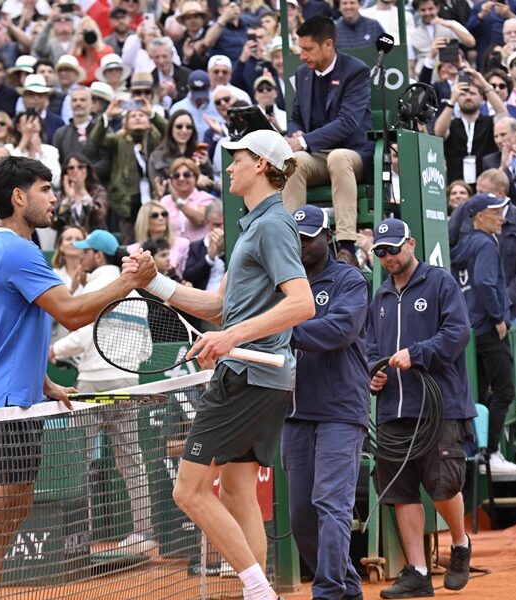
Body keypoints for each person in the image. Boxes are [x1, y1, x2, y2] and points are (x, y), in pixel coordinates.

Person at [113, 129, 309, 600]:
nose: (230, 166)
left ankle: (260, 592)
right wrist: (153, 282)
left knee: (189, 491)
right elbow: (219, 306)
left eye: (237, 158)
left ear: (260, 164)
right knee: (237, 492)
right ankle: (257, 595)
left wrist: (231, 338)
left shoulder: (273, 224)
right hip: (261, 376)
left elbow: (302, 304)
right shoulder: (253, 225)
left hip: (247, 374)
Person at [0, 156, 155, 600]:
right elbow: (70, 313)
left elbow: (10, 326)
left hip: (20, 399)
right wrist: (131, 280)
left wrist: (43, 380)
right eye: (45, 189)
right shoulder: (14, 249)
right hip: (0, 406)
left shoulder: (18, 248)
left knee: (17, 505)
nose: (54, 198)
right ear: (18, 197)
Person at [364, 217, 475, 598]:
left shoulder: (441, 282)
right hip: (393, 408)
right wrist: (372, 375)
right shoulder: (378, 297)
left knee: (444, 485)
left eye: (393, 249)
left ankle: (460, 544)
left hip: (438, 405)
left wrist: (418, 353)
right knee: (399, 490)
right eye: (381, 252)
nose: (388, 257)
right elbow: (370, 350)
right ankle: (417, 571)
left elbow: (458, 333)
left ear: (410, 244)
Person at [49, 228, 158, 552]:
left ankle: (77, 538)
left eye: (85, 251)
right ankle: (144, 532)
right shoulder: (137, 295)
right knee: (131, 461)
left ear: (97, 256)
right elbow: (146, 350)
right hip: (127, 383)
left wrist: (53, 351)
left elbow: (81, 337)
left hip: (93, 383)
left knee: (77, 462)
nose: (79, 255)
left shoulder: (97, 287)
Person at [281, 204, 369, 600]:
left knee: (331, 505)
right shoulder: (284, 284)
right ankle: (347, 588)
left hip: (340, 410)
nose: (300, 245)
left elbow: (340, 329)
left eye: (308, 237)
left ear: (328, 238)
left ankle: (329, 592)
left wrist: (281, 330)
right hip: (294, 414)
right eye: (294, 238)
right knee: (302, 516)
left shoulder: (349, 280)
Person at [282, 16, 374, 265]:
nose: (302, 56)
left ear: (328, 45)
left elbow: (348, 123)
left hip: (352, 153)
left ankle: (346, 246)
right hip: (317, 154)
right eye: (300, 49)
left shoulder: (356, 71)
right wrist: (297, 133)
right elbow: (295, 117)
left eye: (308, 49)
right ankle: (292, 243)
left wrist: (304, 141)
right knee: (295, 162)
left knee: (337, 157)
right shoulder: (302, 74)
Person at [450, 193, 516, 475]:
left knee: (478, 392)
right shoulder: (486, 244)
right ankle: (491, 452)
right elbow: (484, 282)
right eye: (496, 213)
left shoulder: (464, 244)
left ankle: (477, 451)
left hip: (470, 330)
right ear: (480, 217)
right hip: (488, 328)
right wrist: (499, 318)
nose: (502, 218)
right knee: (505, 389)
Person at [448, 169, 516, 324]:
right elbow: (448, 246)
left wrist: (504, 299)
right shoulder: (466, 211)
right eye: (477, 191)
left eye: (483, 192)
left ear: (500, 193)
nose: (478, 196)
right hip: (469, 308)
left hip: (507, 309)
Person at [90, 98, 167, 242]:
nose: (137, 117)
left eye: (141, 115)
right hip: (126, 203)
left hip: (153, 197)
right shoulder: (119, 140)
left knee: (154, 240)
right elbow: (96, 138)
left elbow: (169, 131)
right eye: (133, 116)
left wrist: (152, 114)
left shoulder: (155, 138)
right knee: (129, 242)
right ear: (125, 122)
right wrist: (108, 116)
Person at [434, 69, 507, 183]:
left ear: (481, 98)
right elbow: (439, 132)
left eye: (472, 93)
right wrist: (452, 100)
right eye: (463, 94)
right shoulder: (452, 124)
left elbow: (503, 116)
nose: (468, 97)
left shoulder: (489, 123)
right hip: (457, 186)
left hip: (487, 183)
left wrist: (485, 85)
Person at [407, 0, 476, 75]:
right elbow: (411, 62)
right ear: (418, 11)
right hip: (426, 77)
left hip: (452, 75)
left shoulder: (451, 24)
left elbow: (471, 42)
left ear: (437, 8)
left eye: (430, 9)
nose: (427, 13)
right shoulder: (413, 34)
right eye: (423, 10)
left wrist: (450, 26)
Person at [157, 158, 216, 243]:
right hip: (173, 252)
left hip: (198, 253)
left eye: (186, 175)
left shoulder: (205, 198)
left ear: (195, 177)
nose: (181, 178)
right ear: (171, 179)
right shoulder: (164, 201)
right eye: (176, 175)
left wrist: (178, 201)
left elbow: (200, 220)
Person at [128, 201, 191, 277]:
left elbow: (188, 274)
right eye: (155, 215)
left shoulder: (183, 243)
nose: (161, 218)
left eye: (164, 214)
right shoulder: (133, 250)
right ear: (145, 220)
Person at [182, 201, 225, 291]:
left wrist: (223, 253)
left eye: (224, 223)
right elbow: (188, 276)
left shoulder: (235, 244)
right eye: (217, 224)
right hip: (204, 297)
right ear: (207, 223)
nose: (222, 228)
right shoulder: (196, 247)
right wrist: (209, 258)